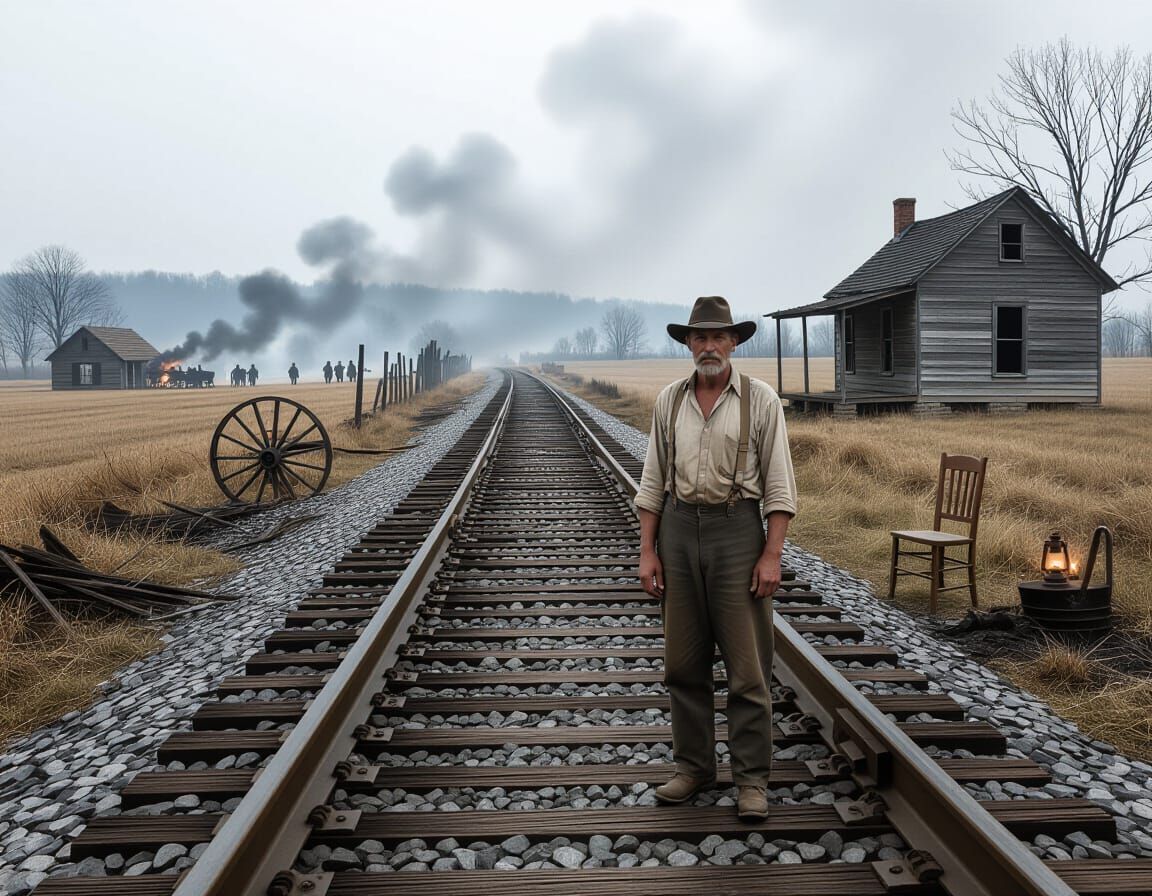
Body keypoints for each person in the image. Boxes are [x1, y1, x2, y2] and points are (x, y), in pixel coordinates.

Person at [635, 296, 797, 822]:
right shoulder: (669, 401)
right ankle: (694, 767)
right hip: (679, 532)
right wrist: (648, 552)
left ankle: (751, 779)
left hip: (737, 532)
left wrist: (771, 554)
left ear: (733, 343)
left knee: (748, 668)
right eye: (699, 337)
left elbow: (778, 486)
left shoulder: (761, 399)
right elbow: (654, 481)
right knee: (683, 664)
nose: (708, 346)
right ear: (688, 344)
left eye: (718, 337)